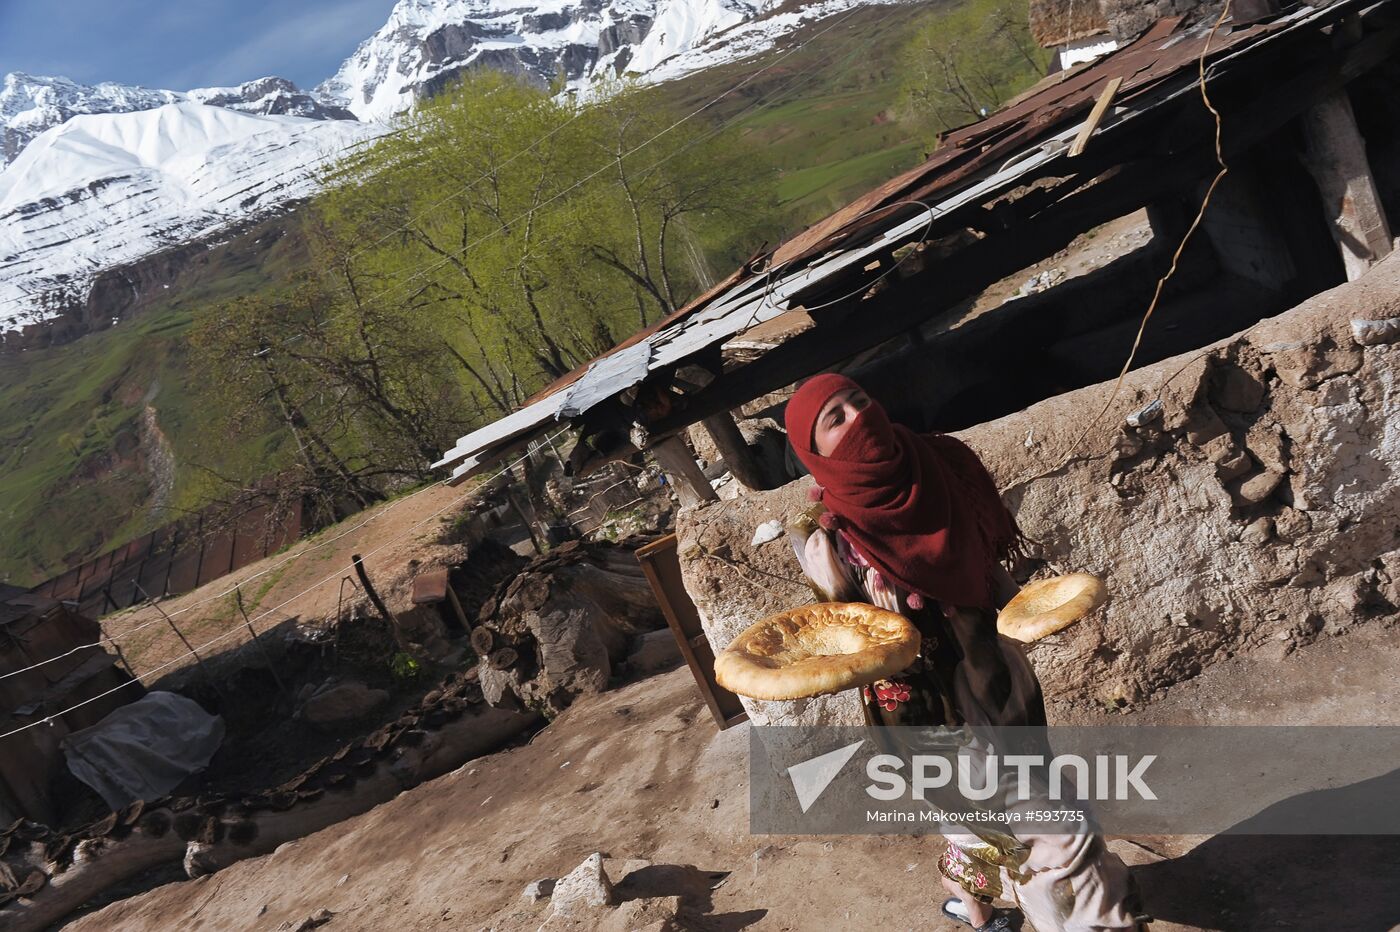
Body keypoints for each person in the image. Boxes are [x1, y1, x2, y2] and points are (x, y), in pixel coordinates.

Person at [783, 373, 1144, 932]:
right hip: (927, 710)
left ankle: (971, 901)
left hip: (997, 678)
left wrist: (1034, 610)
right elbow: (838, 634)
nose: (859, 417)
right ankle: (1085, 916)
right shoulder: (827, 536)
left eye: (859, 400)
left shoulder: (940, 468)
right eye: (836, 418)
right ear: (816, 452)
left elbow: (988, 564)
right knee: (1054, 823)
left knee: (982, 815)